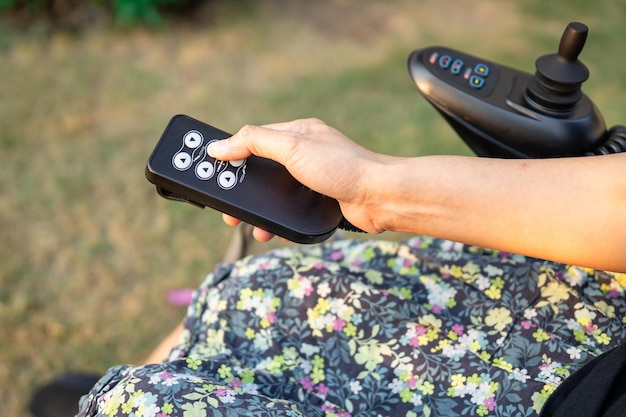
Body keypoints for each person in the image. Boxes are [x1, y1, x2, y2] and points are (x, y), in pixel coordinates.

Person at [78, 119, 626, 417]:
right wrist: (374, 189)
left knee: (137, 404)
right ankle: (166, 372)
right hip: (601, 303)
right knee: (264, 286)